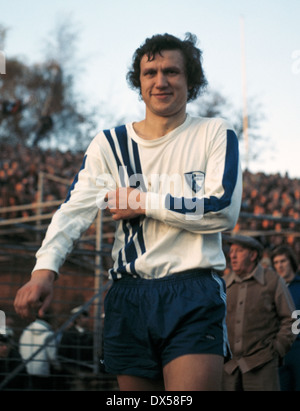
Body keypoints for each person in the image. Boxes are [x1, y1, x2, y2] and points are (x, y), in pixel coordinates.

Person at [14, 32, 242, 391]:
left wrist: (141, 202)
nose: (160, 81)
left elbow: (221, 211)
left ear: (190, 79)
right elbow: (74, 211)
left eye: (172, 71)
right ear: (139, 82)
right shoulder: (110, 144)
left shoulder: (214, 133)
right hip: (129, 293)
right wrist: (45, 270)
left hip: (193, 290)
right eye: (150, 72)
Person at [223, 234, 296, 391]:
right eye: (232, 250)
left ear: (253, 255)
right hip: (229, 369)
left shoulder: (273, 280)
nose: (232, 255)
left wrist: (276, 349)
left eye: (239, 251)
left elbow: (292, 320)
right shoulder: (224, 284)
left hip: (262, 367)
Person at [271, 244, 300, 391]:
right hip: (279, 350)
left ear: (291, 262)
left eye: (283, 261)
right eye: (276, 262)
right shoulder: (272, 290)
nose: (279, 265)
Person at [19, 311, 60, 390]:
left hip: (25, 368)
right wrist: (58, 366)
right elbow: (52, 356)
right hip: (41, 371)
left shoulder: (26, 330)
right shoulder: (49, 334)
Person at [58, 306, 94, 390]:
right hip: (72, 376)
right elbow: (62, 357)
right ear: (77, 319)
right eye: (84, 316)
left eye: (87, 316)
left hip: (88, 374)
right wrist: (75, 372)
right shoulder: (68, 335)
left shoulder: (90, 335)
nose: (87, 319)